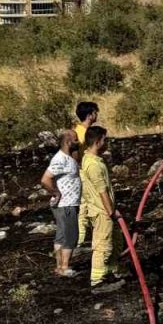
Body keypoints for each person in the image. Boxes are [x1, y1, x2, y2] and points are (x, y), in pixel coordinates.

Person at [78, 126, 120, 290]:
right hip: (102, 212)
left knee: (116, 242)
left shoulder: (93, 160)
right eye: (105, 139)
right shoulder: (93, 165)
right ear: (97, 142)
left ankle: (111, 271)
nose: (107, 143)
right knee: (102, 246)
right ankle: (97, 281)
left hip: (106, 210)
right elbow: (101, 190)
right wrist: (110, 211)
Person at [40, 133, 81, 277]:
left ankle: (59, 266)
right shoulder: (60, 159)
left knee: (62, 235)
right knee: (70, 235)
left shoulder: (69, 158)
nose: (78, 141)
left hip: (68, 203)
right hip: (66, 204)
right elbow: (45, 179)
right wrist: (56, 192)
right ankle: (64, 267)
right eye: (76, 139)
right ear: (68, 142)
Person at [72, 102, 99, 246]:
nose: (97, 115)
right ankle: (80, 239)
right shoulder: (81, 134)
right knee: (85, 206)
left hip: (84, 173)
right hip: (83, 174)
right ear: (90, 115)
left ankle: (83, 237)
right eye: (95, 112)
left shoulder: (78, 130)